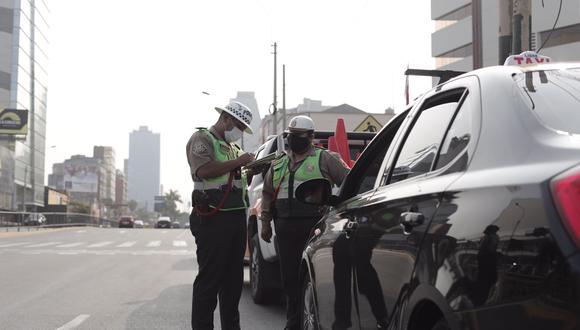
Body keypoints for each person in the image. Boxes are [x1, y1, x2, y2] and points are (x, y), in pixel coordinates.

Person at [260, 115, 350, 330]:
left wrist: (333, 206)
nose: (294, 140)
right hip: (284, 227)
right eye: (291, 136)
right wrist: (265, 223)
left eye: (299, 136)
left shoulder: (324, 158)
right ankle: (293, 324)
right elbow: (267, 194)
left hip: (313, 227)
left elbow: (348, 180)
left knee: (312, 276)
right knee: (289, 279)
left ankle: (316, 322)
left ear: (311, 137)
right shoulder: (279, 162)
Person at [186, 100, 255, 330]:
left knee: (233, 284)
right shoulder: (203, 139)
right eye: (239, 126)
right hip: (212, 218)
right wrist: (240, 161)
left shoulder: (233, 148)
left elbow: (235, 180)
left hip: (235, 217)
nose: (240, 132)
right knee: (209, 281)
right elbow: (204, 170)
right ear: (226, 118)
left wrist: (252, 168)